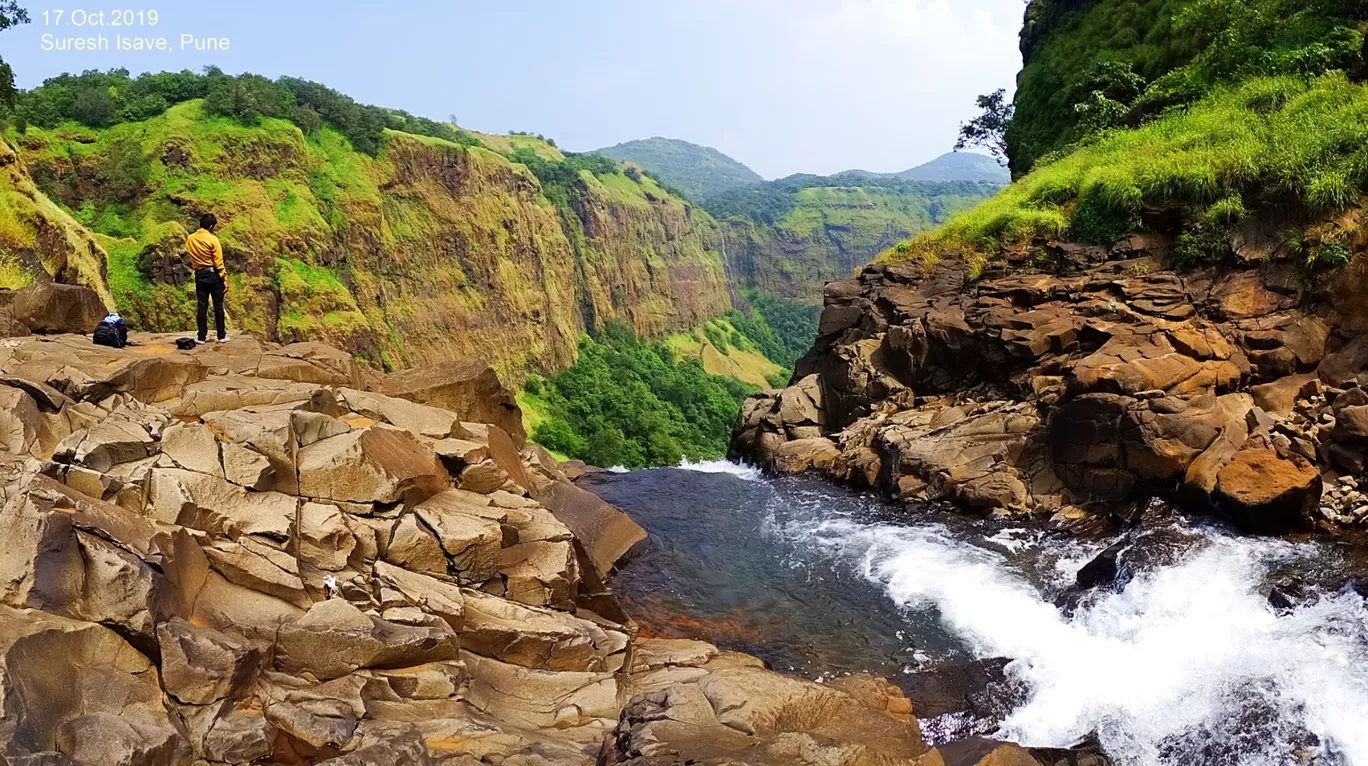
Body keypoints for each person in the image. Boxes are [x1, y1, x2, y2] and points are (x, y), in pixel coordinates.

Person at [185, 213, 230, 344]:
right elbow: (218, 262)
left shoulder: (190, 238)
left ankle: (201, 337)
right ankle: (221, 336)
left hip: (199, 274)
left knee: (202, 306)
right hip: (213, 274)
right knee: (218, 305)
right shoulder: (213, 239)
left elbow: (190, 256)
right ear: (210, 226)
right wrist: (224, 278)